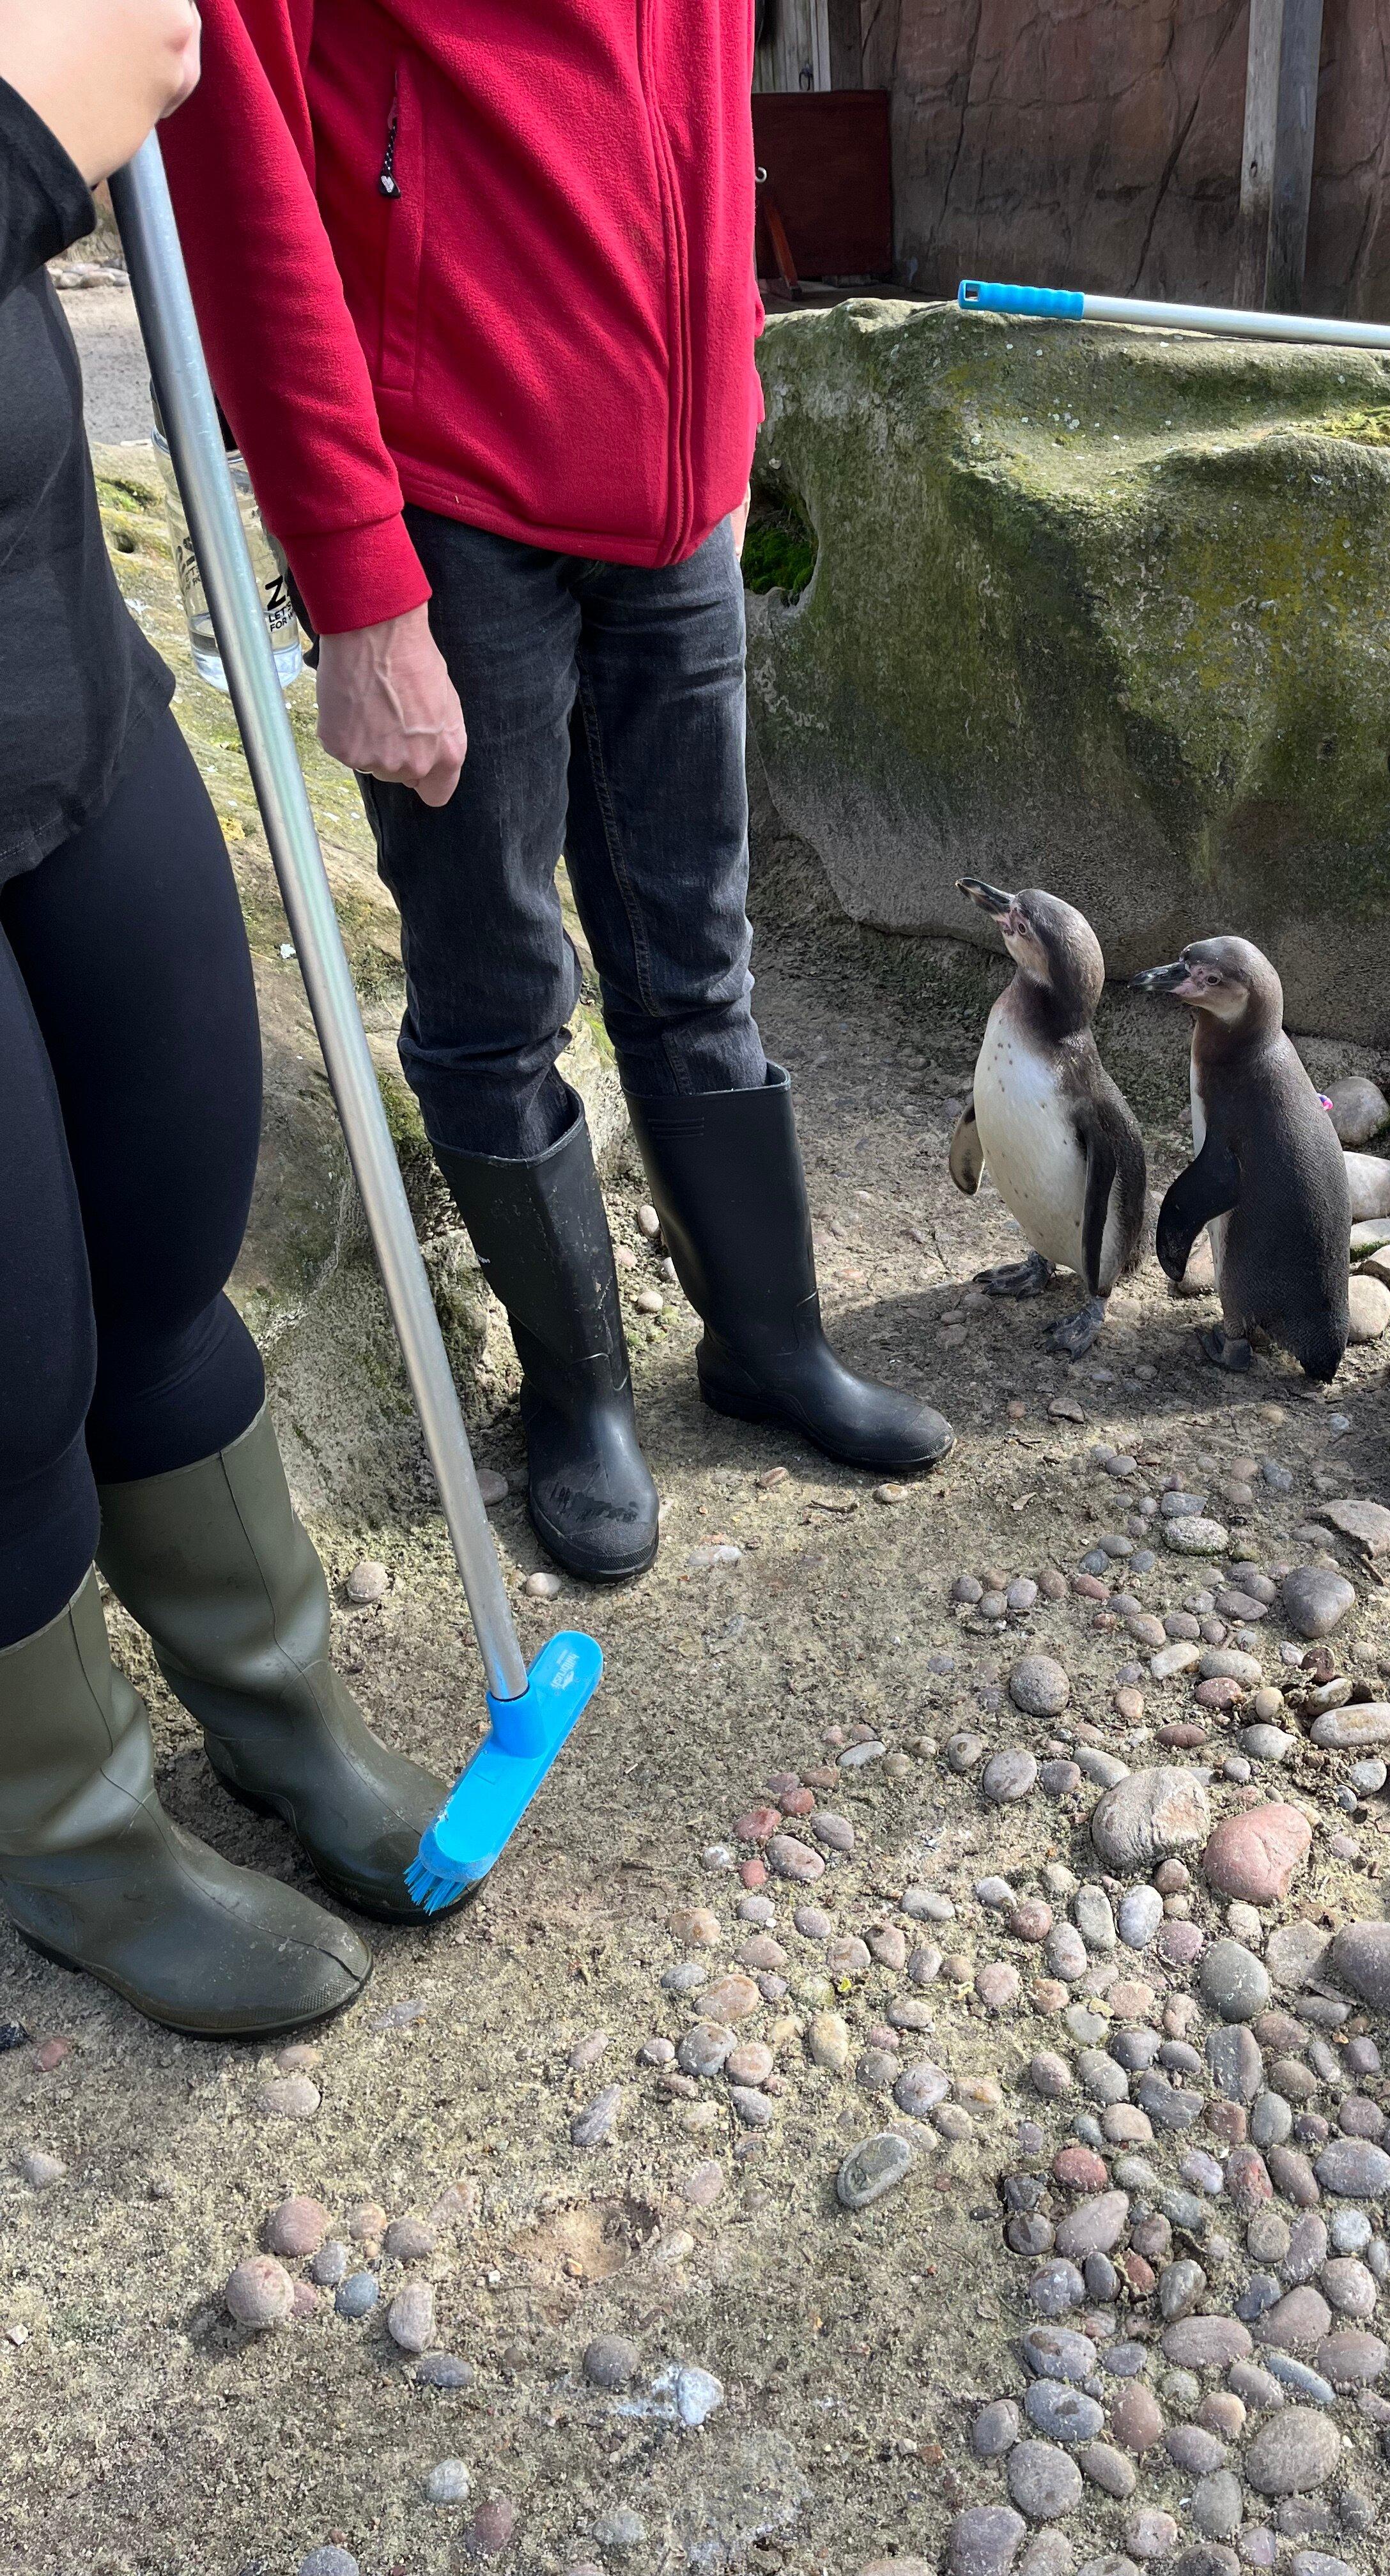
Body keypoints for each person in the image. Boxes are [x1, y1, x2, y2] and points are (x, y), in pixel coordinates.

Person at [158, 6, 953, 1588]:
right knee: (497, 981)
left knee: (699, 950)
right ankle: (579, 1393)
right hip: (452, 494)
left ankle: (764, 1339)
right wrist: (358, 583)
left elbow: (703, 109)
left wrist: (726, 416)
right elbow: (239, 178)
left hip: (674, 493)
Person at [0, 0, 460, 2037]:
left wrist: (356, 574)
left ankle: (275, 1716)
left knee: (172, 1231)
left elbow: (237, 166)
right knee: (7, 1362)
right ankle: (77, 1843)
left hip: (58, 682)